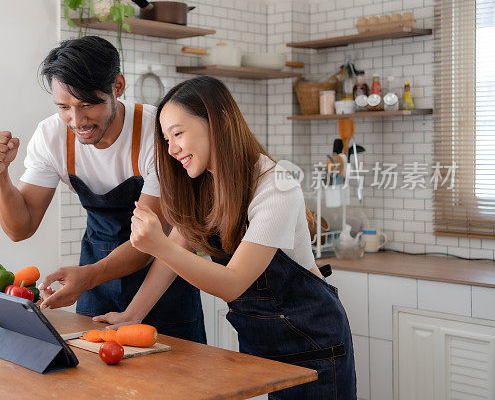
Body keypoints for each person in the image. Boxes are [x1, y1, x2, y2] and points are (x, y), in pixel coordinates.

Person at [97, 76, 356, 398]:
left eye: (178, 133)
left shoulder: (275, 185)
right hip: (257, 341)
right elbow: (177, 247)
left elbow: (234, 283)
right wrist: (131, 315)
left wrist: (158, 245)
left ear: (219, 122)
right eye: (166, 139)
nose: (172, 148)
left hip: (313, 344)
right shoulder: (203, 184)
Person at [0, 36, 205, 343]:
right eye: (64, 107)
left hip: (163, 287)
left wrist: (87, 276)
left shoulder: (158, 134)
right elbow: (19, 228)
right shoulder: (51, 136)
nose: (77, 120)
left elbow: (148, 242)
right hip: (95, 286)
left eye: (87, 104)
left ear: (118, 86)